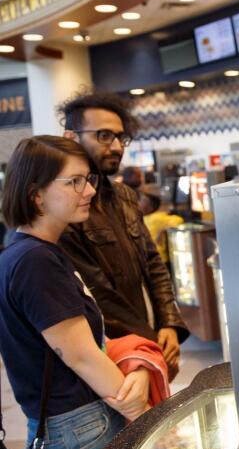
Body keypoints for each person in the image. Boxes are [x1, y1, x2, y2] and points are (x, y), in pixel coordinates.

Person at [0, 136, 151, 449]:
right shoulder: (35, 259)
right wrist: (144, 414)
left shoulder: (32, 251)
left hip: (73, 425)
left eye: (88, 179)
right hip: (77, 428)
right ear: (35, 194)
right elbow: (81, 355)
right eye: (74, 182)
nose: (90, 191)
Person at [57, 92, 189, 379]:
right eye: (104, 135)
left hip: (147, 342)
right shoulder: (65, 206)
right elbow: (98, 292)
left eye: (121, 137)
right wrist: (150, 342)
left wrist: (169, 323)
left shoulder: (126, 197)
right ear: (71, 136)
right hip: (107, 354)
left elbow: (153, 264)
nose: (116, 146)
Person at [138, 183, 184, 265]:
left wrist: (163, 229)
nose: (139, 203)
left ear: (151, 207)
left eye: (143, 200)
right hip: (150, 261)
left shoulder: (156, 218)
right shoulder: (143, 218)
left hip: (158, 261)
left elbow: (179, 220)